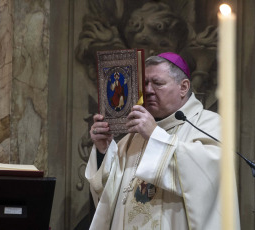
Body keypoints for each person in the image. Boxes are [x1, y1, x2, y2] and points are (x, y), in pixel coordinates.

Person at [85, 52, 240, 229]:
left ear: (183, 87)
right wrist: (103, 151)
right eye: (145, 84)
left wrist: (154, 136)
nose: (148, 90)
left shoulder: (209, 124)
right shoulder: (133, 138)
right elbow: (107, 195)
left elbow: (208, 176)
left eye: (157, 83)